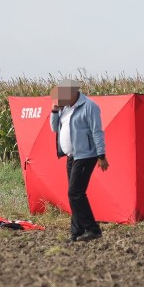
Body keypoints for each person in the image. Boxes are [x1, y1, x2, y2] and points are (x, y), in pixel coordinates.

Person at [49, 79, 109, 242]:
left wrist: (101, 156)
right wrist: (55, 111)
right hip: (71, 156)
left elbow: (97, 132)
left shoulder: (90, 106)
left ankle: (92, 229)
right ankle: (76, 233)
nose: (59, 99)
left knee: (75, 193)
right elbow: (55, 128)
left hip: (85, 155)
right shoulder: (65, 108)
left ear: (73, 93)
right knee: (75, 194)